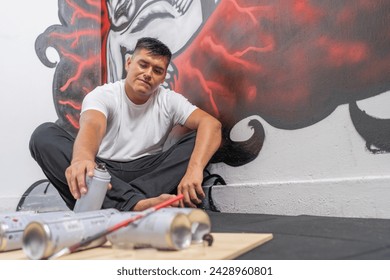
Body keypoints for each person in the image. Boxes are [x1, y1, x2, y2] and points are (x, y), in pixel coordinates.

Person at [29, 37, 222, 211]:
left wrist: (194, 171)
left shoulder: (169, 100)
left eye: (157, 70)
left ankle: (123, 201)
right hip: (103, 174)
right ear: (129, 63)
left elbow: (211, 125)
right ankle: (135, 203)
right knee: (43, 135)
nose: (148, 74)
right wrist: (82, 159)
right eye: (143, 65)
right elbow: (92, 127)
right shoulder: (104, 95)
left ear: (163, 78)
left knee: (202, 138)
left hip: (149, 175)